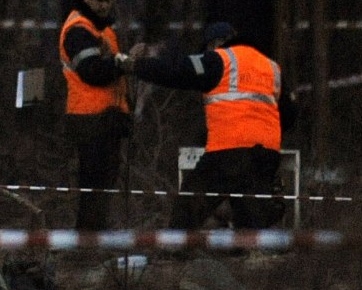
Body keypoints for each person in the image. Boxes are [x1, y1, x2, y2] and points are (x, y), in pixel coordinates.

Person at [121, 22, 288, 229]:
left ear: (215, 44)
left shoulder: (219, 59)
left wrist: (137, 66)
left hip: (229, 151)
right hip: (266, 154)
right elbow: (289, 114)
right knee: (251, 220)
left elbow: (177, 70)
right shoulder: (271, 67)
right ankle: (254, 254)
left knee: (189, 206)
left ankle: (176, 251)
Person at [58, 0, 132, 230]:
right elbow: (92, 72)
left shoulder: (102, 30)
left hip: (105, 117)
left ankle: (93, 235)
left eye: (109, 0)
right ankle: (87, 239)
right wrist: (121, 63)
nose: (104, 6)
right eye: (99, 0)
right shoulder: (79, 30)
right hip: (89, 118)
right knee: (94, 184)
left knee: (103, 184)